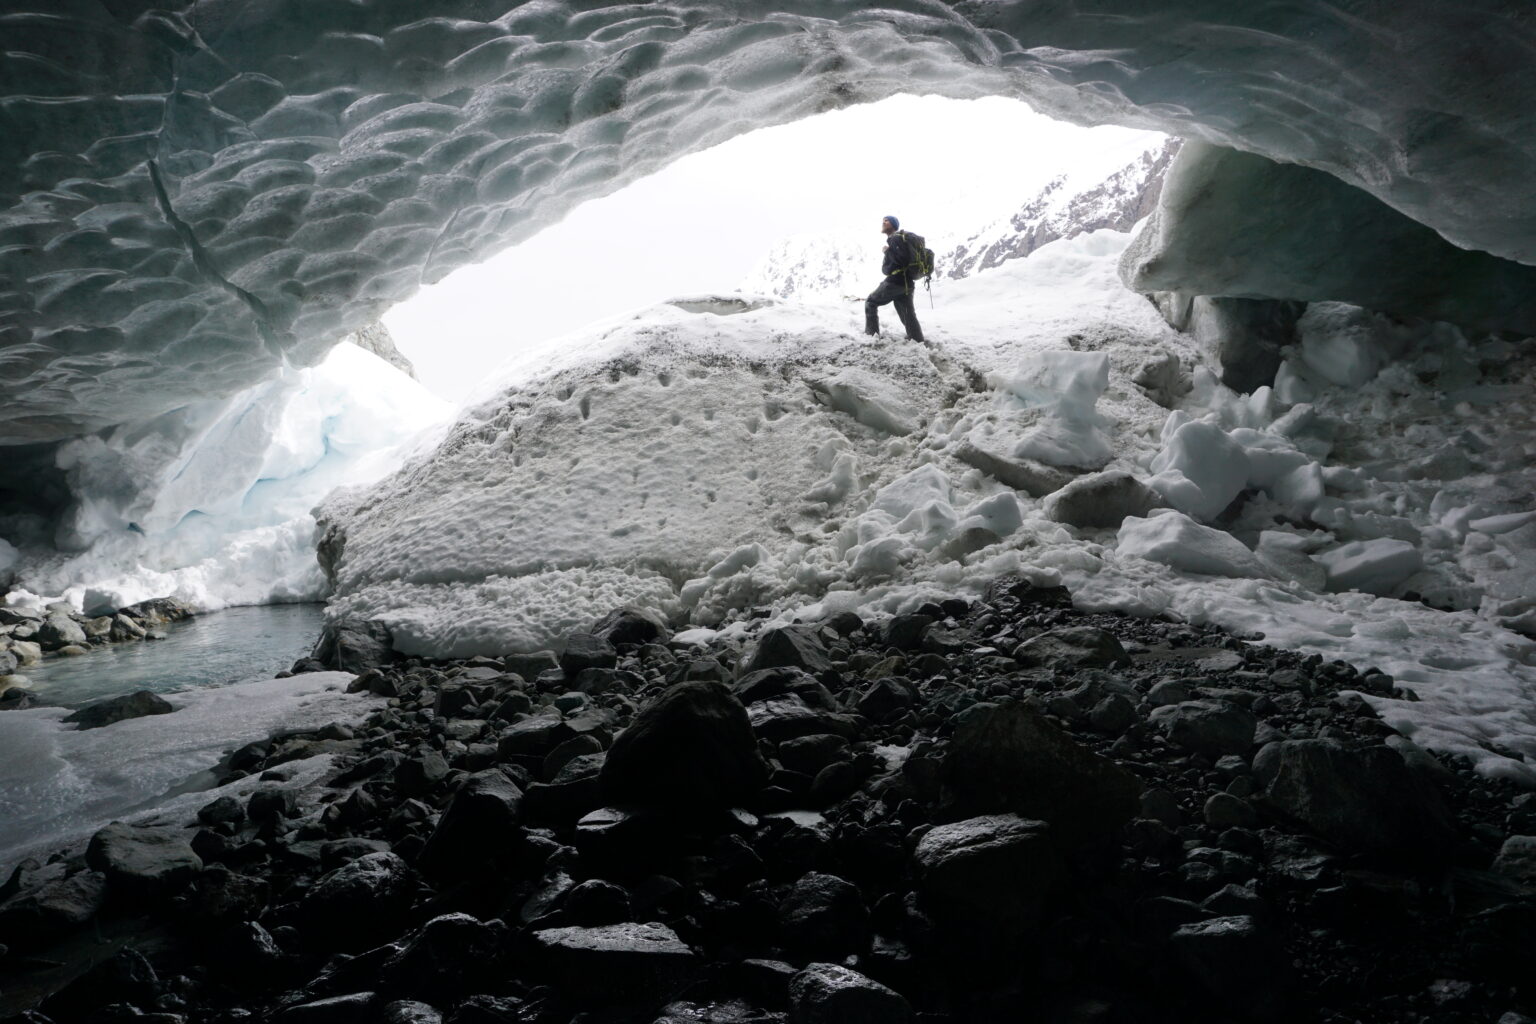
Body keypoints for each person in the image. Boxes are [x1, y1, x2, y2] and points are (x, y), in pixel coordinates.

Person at [864, 214, 924, 343]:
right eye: (883, 220)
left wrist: (887, 252)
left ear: (893, 225)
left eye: (887, 221)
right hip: (907, 284)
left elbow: (900, 260)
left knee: (870, 302)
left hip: (895, 281)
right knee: (908, 315)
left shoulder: (895, 239)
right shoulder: (900, 239)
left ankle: (871, 337)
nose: (884, 222)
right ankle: (918, 341)